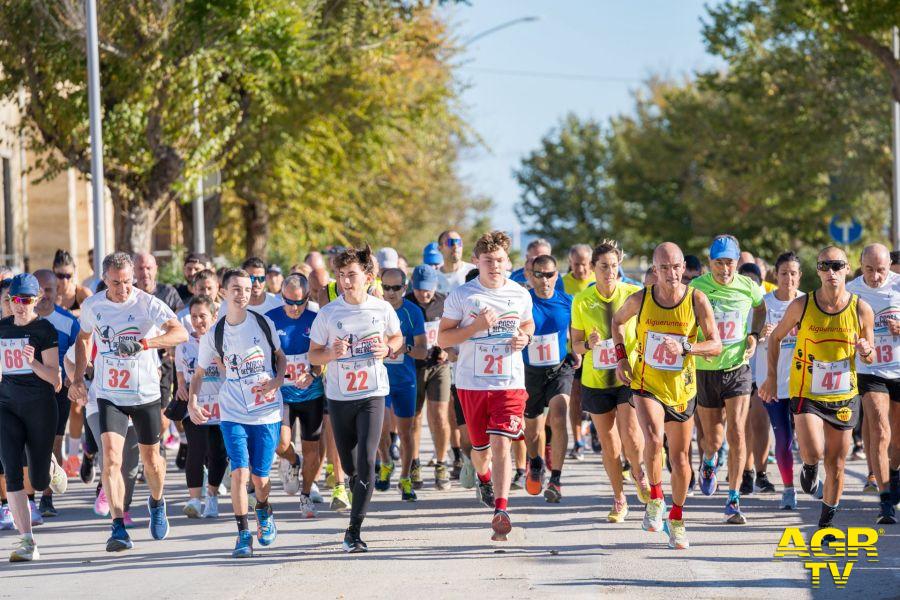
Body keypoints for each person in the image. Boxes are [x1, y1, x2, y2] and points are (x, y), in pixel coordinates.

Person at [69, 251, 188, 552]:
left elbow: (180, 333)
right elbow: (83, 339)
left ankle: (157, 502)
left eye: (127, 282)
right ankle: (118, 526)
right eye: (115, 283)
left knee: (153, 464)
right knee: (111, 459)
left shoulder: (147, 303)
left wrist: (147, 343)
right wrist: (79, 378)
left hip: (145, 393)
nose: (122, 289)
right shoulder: (93, 305)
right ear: (104, 279)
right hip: (110, 394)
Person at [613, 242, 722, 550]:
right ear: (655, 270)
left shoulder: (696, 299)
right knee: (651, 437)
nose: (672, 274)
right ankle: (656, 499)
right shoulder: (642, 298)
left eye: (676, 267)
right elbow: (618, 321)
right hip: (647, 382)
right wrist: (622, 357)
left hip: (682, 388)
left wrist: (687, 347)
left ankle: (677, 517)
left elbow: (716, 344)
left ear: (683, 268)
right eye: (664, 268)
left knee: (681, 457)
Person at [761, 246, 875, 533]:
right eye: (825, 266)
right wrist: (772, 378)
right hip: (807, 392)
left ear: (847, 269)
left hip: (843, 395)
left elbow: (870, 355)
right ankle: (809, 466)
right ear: (818, 270)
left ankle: (826, 523)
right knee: (813, 451)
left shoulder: (861, 308)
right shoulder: (802, 306)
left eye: (837, 266)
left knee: (836, 463)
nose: (831, 272)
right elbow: (774, 338)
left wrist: (866, 350)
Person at [438, 230, 534, 542]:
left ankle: (502, 510)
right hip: (471, 383)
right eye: (489, 260)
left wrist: (526, 337)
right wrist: (476, 327)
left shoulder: (520, 293)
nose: (495, 266)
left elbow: (528, 323)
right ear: (477, 261)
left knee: (502, 443)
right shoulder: (463, 296)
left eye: (500, 261)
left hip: (509, 382)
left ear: (508, 263)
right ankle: (484, 477)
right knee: (480, 451)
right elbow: (443, 339)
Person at [308, 246, 403, 553]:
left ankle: (354, 530)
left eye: (352, 275)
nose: (346, 281)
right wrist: (330, 354)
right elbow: (313, 354)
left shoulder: (381, 309)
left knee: (366, 462)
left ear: (367, 277)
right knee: (349, 466)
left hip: (373, 393)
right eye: (341, 276)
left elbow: (398, 337)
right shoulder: (329, 313)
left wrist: (388, 348)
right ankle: (354, 486)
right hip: (339, 396)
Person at [188, 268, 285, 558]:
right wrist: (193, 400)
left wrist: (278, 381)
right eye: (236, 289)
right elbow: (199, 373)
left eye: (247, 288)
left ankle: (264, 510)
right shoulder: (215, 333)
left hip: (266, 412)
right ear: (223, 292)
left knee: (261, 480)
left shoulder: (263, 324)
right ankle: (243, 534)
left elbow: (280, 358)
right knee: (240, 472)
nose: (243, 294)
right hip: (232, 411)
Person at [570, 241, 650, 520]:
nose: (609, 272)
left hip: (627, 376)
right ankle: (619, 499)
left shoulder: (632, 294)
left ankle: (639, 472)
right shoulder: (581, 300)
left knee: (631, 435)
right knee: (609, 443)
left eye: (614, 266)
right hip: (595, 380)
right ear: (593, 269)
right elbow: (575, 346)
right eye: (603, 267)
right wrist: (589, 345)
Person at [690, 235, 764, 525]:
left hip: (737, 367)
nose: (724, 269)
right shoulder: (696, 287)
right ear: (710, 263)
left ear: (737, 263)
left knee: (736, 431)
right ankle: (709, 462)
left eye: (729, 263)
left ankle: (733, 498)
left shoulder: (749, 287)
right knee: (713, 437)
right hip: (706, 369)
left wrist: (754, 336)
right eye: (719, 263)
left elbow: (760, 309)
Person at [1, 273, 68, 562]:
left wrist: (33, 362)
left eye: (26, 300)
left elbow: (56, 379)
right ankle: (27, 541)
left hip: (40, 407)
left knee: (38, 481)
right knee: (11, 469)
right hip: (6, 407)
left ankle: (50, 466)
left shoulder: (45, 330)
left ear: (36, 300)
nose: (19, 305)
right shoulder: (1, 329)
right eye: (14, 299)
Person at [847, 244, 900, 523]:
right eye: (869, 269)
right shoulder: (851, 291)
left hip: (899, 369)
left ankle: (894, 473)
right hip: (870, 369)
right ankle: (885, 500)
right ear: (861, 264)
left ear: (889, 265)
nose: (876, 276)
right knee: (879, 428)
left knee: (898, 441)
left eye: (881, 270)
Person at [268, 274, 327, 519]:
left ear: (308, 298)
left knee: (313, 448)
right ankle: (292, 461)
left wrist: (313, 374)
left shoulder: (315, 319)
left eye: (299, 303)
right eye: (289, 302)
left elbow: (323, 354)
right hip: (282, 394)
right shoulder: (270, 319)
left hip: (310, 393)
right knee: (280, 444)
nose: (294, 308)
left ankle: (305, 495)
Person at [521, 254, 576, 503]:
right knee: (532, 430)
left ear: (557, 275)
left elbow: (575, 332)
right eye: (539, 274)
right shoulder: (523, 301)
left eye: (550, 274)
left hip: (559, 369)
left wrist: (577, 350)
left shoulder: (568, 301)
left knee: (558, 414)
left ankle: (556, 478)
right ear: (531, 276)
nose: (545, 280)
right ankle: (535, 462)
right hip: (529, 371)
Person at [754, 252, 804, 510]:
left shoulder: (808, 303)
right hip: (771, 383)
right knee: (783, 438)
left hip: (803, 382)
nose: (788, 278)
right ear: (776, 274)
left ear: (800, 276)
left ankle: (811, 470)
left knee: (808, 441)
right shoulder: (764, 304)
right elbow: (748, 339)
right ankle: (788, 488)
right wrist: (761, 334)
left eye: (793, 273)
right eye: (784, 273)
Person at [374, 268, 427, 500]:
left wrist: (403, 348)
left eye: (396, 288)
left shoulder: (413, 312)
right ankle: (386, 462)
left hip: (405, 381)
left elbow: (423, 351)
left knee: (406, 433)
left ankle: (405, 478)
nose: (391, 293)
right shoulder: (373, 309)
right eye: (386, 287)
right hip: (379, 380)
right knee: (380, 429)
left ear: (404, 288)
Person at [175, 296, 227, 520]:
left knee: (218, 453)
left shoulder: (224, 341)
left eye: (202, 316)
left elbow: (232, 373)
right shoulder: (184, 344)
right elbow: (180, 372)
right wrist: (180, 388)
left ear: (214, 317)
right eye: (194, 316)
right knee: (195, 451)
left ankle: (212, 495)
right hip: (195, 404)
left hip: (221, 405)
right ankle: (194, 500)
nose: (198, 321)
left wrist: (219, 361)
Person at [33, 269, 80, 517]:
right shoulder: (19, 322)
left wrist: (78, 382)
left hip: (57, 390)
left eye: (48, 290)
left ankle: (48, 497)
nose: (43, 296)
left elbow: (81, 354)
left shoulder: (68, 322)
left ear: (57, 291)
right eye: (38, 291)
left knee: (54, 443)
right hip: (25, 390)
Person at [405, 265, 455, 488]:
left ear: (436, 286)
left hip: (438, 366)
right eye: (419, 289)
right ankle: (414, 463)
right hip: (413, 367)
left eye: (428, 290)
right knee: (414, 417)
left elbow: (454, 330)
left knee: (439, 415)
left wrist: (447, 348)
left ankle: (441, 462)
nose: (424, 294)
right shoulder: (406, 303)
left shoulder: (445, 302)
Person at [53, 249, 93, 316]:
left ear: (74, 272)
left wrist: (71, 313)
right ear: (54, 272)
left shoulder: (82, 292)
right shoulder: (48, 293)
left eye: (68, 276)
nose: (64, 280)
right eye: (60, 276)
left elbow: (96, 311)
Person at [435, 230, 476, 295]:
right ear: (440, 248)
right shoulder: (433, 277)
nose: (456, 246)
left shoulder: (475, 272)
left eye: (459, 242)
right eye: (451, 242)